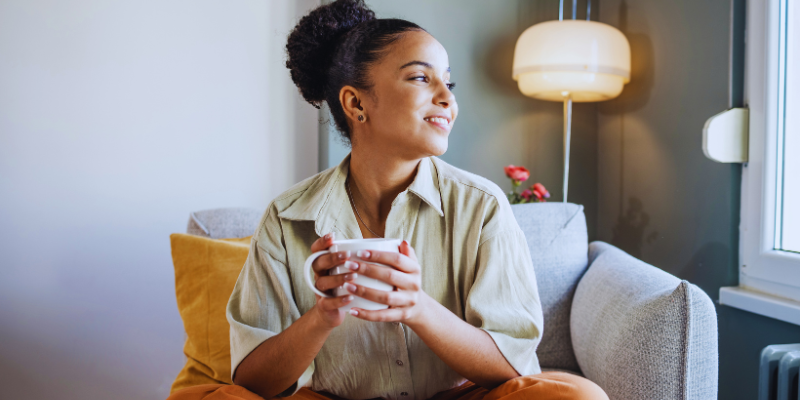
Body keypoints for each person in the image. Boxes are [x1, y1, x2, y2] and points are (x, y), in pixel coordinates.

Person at [168, 1, 608, 399]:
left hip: (457, 397)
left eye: (448, 82)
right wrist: (323, 315)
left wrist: (417, 307)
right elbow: (251, 382)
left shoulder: (482, 206)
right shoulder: (286, 218)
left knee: (575, 397)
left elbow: (510, 367)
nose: (447, 97)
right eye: (421, 77)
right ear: (356, 104)